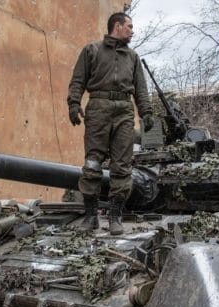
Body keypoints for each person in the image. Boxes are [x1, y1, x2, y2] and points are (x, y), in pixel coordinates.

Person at [67, 12, 154, 235]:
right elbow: (78, 79)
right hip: (98, 107)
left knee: (122, 166)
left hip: (124, 110)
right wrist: (74, 103)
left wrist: (146, 112)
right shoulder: (92, 50)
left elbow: (141, 89)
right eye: (129, 26)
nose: (132, 31)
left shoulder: (133, 57)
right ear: (117, 26)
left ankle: (115, 217)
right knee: (93, 163)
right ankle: (90, 216)